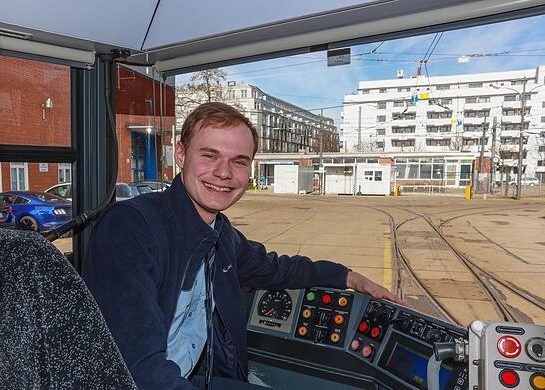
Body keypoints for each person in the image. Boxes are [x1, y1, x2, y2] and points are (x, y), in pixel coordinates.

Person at [83, 102, 401, 389]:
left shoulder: (220, 234)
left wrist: (347, 277)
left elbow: (276, 268)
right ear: (181, 155)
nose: (223, 173)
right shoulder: (131, 227)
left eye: (238, 161)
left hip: (195, 377)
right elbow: (136, 366)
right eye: (210, 156)